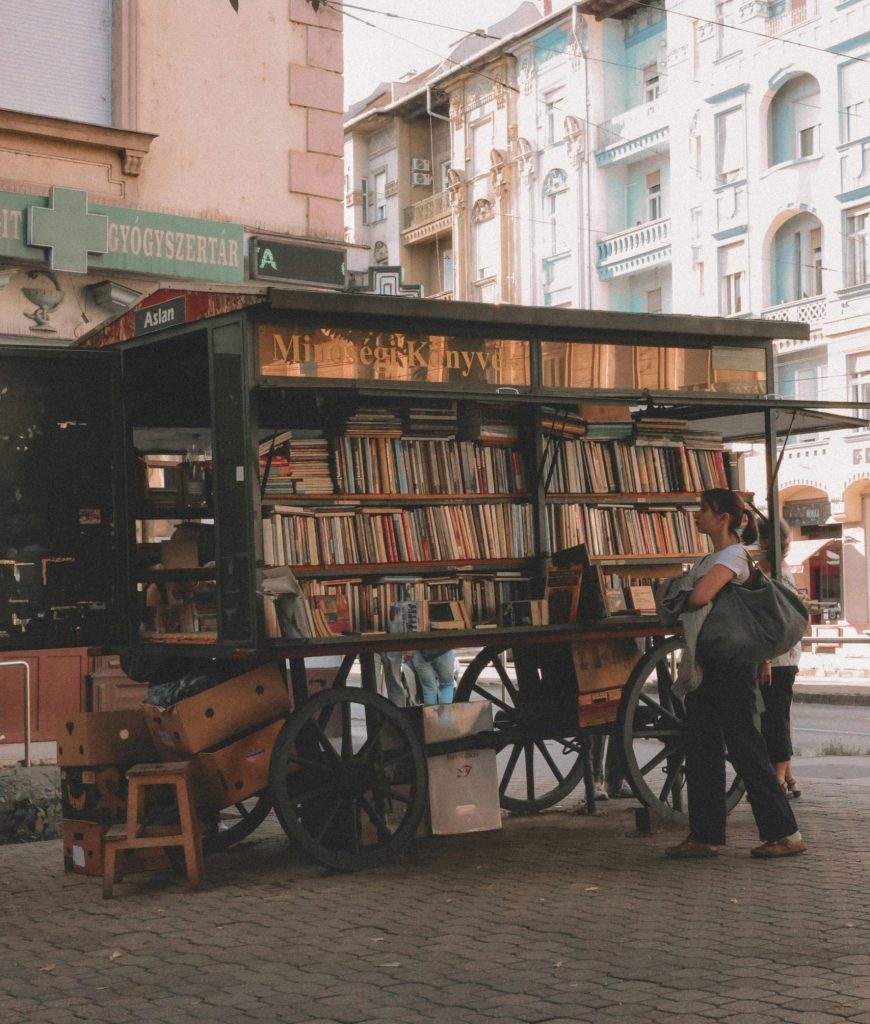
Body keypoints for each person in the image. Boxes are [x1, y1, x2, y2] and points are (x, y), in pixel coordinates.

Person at [663, 487, 806, 859]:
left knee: (746, 748)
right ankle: (705, 834)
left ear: (723, 518)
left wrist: (680, 588)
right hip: (710, 664)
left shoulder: (732, 556)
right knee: (702, 750)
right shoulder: (712, 557)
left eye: (703, 509)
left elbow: (698, 597)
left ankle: (786, 833)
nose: (697, 515)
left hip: (730, 666)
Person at [757, 516, 803, 800]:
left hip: (778, 656)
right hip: (781, 654)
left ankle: (778, 780)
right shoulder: (776, 571)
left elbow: (779, 620)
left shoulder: (776, 576)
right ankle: (787, 775)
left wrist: (767, 657)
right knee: (777, 716)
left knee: (774, 718)